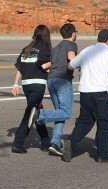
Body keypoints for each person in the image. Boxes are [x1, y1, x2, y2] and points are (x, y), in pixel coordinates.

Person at [62, 29, 108, 163]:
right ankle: (102, 155)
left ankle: (71, 142)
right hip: (100, 93)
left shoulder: (87, 50)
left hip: (85, 93)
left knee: (85, 122)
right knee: (104, 123)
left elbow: (71, 65)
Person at [28, 24, 78, 156]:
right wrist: (81, 64)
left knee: (59, 113)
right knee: (66, 113)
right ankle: (40, 114)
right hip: (63, 81)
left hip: (51, 81)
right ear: (73, 34)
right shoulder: (71, 45)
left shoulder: (55, 48)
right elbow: (72, 60)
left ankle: (55, 143)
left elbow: (50, 65)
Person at [11, 24, 52, 153]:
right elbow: (45, 66)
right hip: (37, 86)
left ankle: (46, 142)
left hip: (26, 85)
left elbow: (19, 67)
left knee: (37, 112)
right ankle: (18, 143)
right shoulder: (45, 49)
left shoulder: (26, 49)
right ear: (46, 35)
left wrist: (15, 84)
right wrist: (55, 61)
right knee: (29, 114)